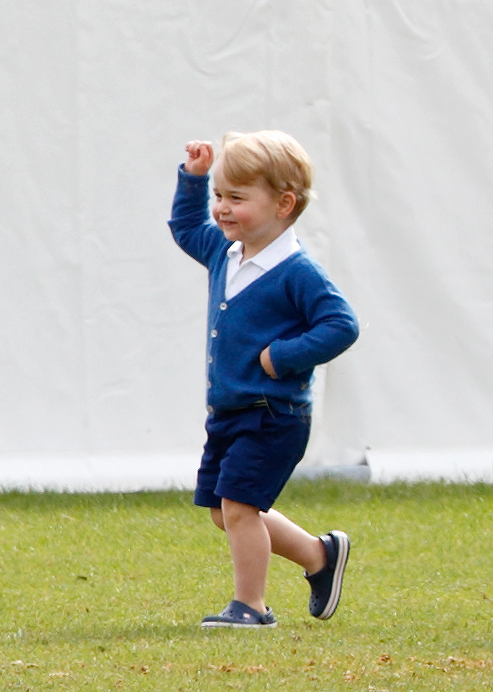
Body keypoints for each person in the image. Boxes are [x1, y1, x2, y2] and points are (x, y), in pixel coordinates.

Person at [170, 130, 359, 628]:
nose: (222, 209)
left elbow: (341, 325)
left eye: (236, 198)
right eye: (219, 196)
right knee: (223, 509)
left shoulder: (298, 272)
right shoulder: (224, 252)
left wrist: (285, 356)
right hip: (230, 411)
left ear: (283, 203)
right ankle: (320, 557)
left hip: (274, 413)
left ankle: (250, 607)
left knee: (239, 507)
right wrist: (193, 180)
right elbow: (187, 227)